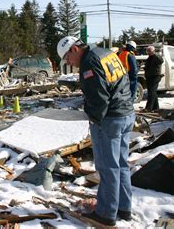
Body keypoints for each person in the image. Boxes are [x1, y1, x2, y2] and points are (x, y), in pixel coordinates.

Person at [57, 36, 135, 226]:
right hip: (126, 113)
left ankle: (106, 214)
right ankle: (123, 208)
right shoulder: (105, 52)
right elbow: (124, 81)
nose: (68, 63)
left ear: (74, 50)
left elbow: (99, 99)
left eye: (67, 58)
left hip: (109, 120)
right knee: (121, 164)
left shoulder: (89, 63)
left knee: (108, 167)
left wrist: (93, 118)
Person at [144, 45, 164, 111]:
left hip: (155, 76)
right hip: (149, 76)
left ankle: (148, 108)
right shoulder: (149, 58)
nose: (148, 52)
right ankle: (156, 107)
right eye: (147, 51)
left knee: (151, 92)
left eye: (150, 51)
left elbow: (161, 61)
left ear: (153, 51)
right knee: (152, 92)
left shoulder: (156, 57)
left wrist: (155, 54)